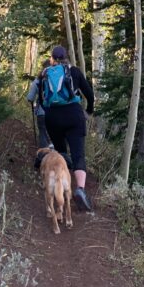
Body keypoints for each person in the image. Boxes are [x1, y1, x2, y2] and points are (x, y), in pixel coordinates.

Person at [34, 44, 95, 212]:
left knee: (61, 152)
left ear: (52, 59)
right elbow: (89, 94)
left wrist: (50, 114)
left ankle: (61, 186)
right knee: (78, 155)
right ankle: (80, 190)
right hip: (74, 115)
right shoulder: (74, 71)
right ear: (66, 57)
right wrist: (88, 111)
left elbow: (41, 100)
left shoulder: (44, 74)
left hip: (53, 118)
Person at [26, 73, 51, 148]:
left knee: (42, 132)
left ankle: (44, 154)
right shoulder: (59, 78)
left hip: (42, 111)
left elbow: (30, 98)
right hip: (57, 112)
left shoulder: (37, 81)